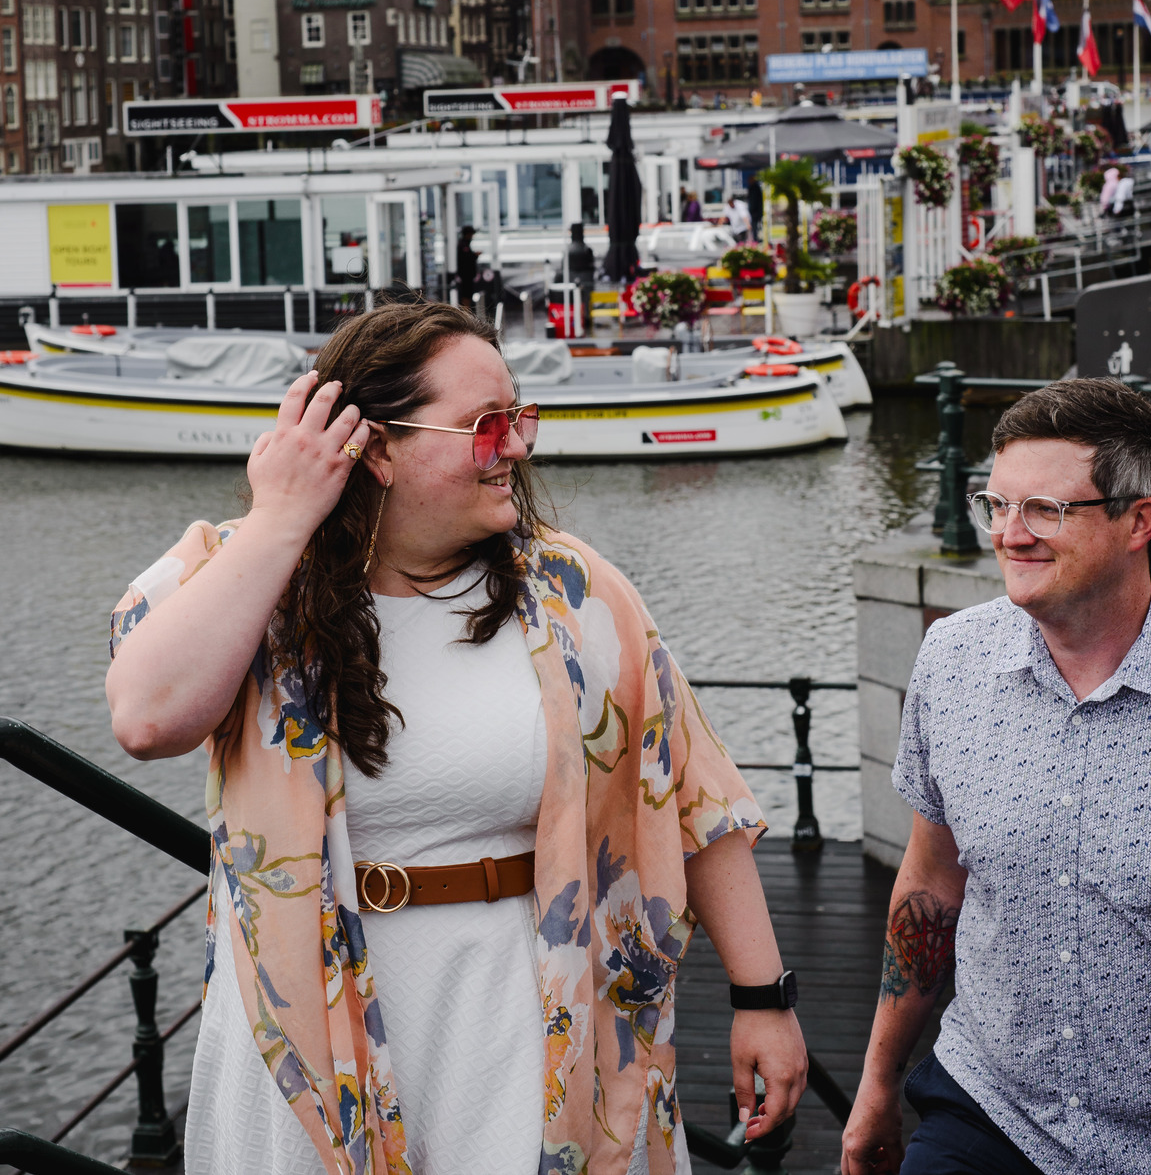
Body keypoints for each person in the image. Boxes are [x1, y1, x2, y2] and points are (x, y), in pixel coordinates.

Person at [107, 303, 807, 1175]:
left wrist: (763, 998)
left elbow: (697, 795)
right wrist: (284, 518)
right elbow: (146, 718)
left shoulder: (572, 595)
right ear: (378, 447)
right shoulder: (238, 576)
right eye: (485, 426)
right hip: (307, 1030)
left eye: (520, 420)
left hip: (517, 1009)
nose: (514, 446)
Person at [841, 377, 1151, 1175]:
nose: (1011, 534)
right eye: (995, 505)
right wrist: (876, 1086)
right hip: (989, 1111)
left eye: (1046, 510)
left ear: (1139, 520)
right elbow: (932, 881)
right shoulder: (953, 658)